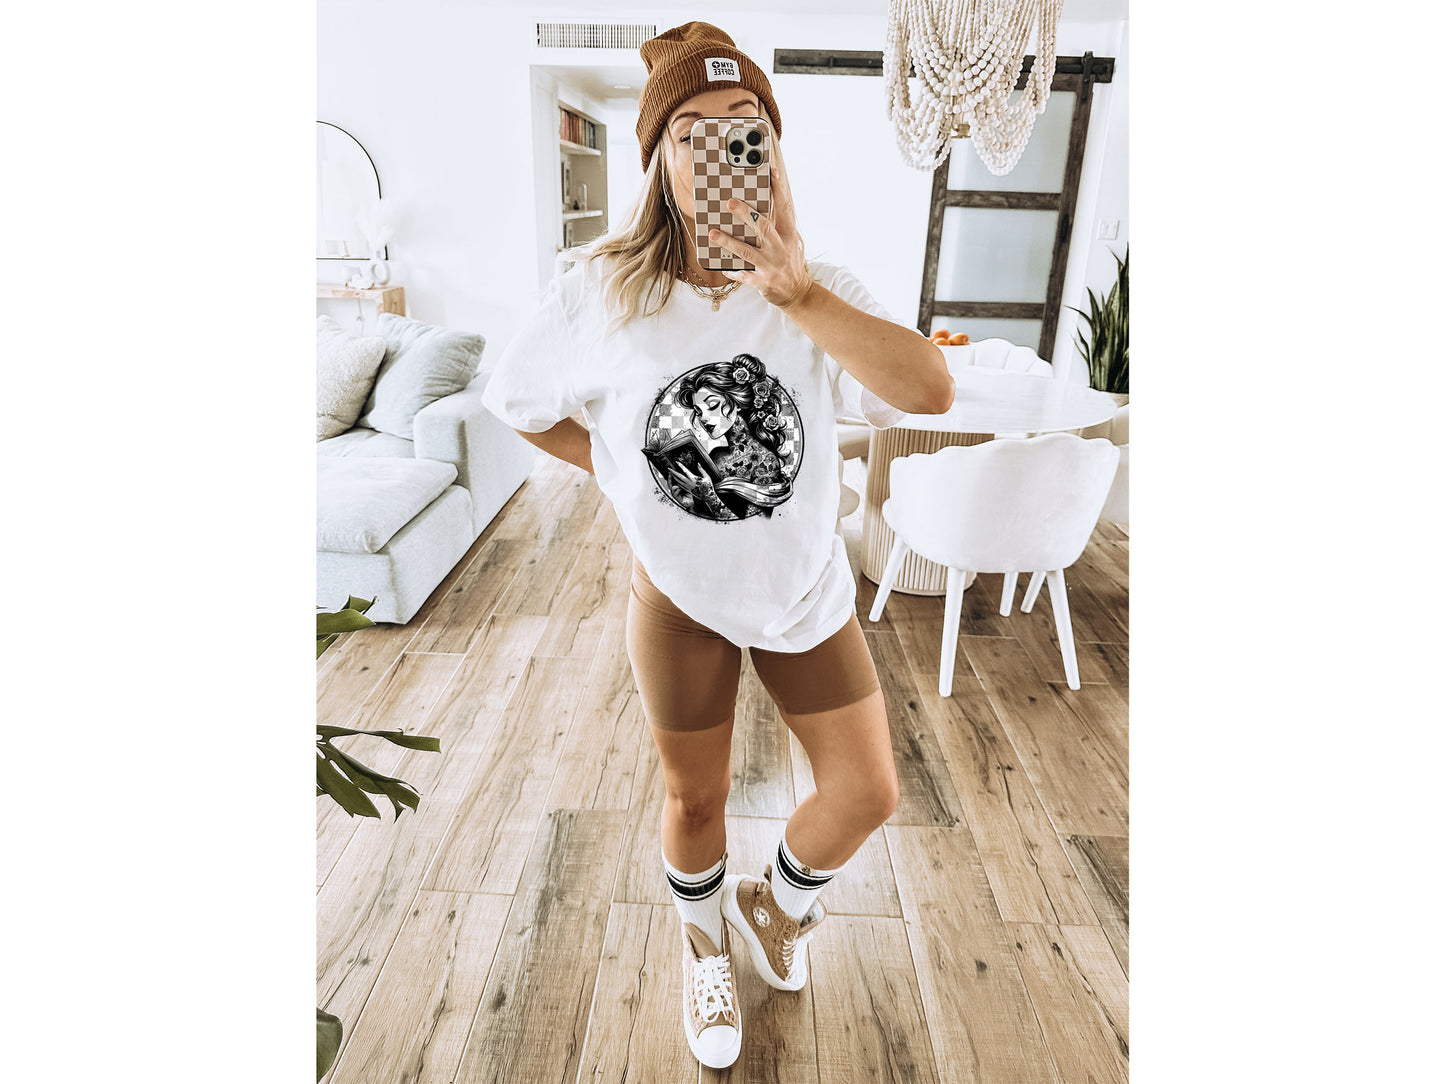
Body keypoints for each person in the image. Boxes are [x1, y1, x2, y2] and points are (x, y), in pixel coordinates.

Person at [480, 20, 954, 1071]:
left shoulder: (819, 289)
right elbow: (515, 399)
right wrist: (618, 470)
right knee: (693, 798)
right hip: (679, 599)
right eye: (692, 130)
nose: (723, 146)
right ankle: (703, 950)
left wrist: (797, 294)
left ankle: (772, 905)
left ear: (772, 152)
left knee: (866, 791)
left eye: (747, 127)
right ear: (658, 159)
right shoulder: (600, 291)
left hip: (802, 593)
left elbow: (928, 392)